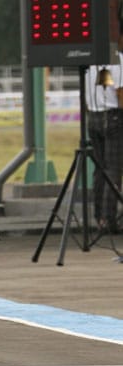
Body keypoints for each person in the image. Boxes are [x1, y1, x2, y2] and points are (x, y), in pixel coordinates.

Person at [86, 49, 123, 234]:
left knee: (100, 170)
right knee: (113, 171)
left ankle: (99, 216)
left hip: (93, 117)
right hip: (113, 116)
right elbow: (120, 92)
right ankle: (110, 219)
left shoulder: (90, 62)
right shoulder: (116, 60)